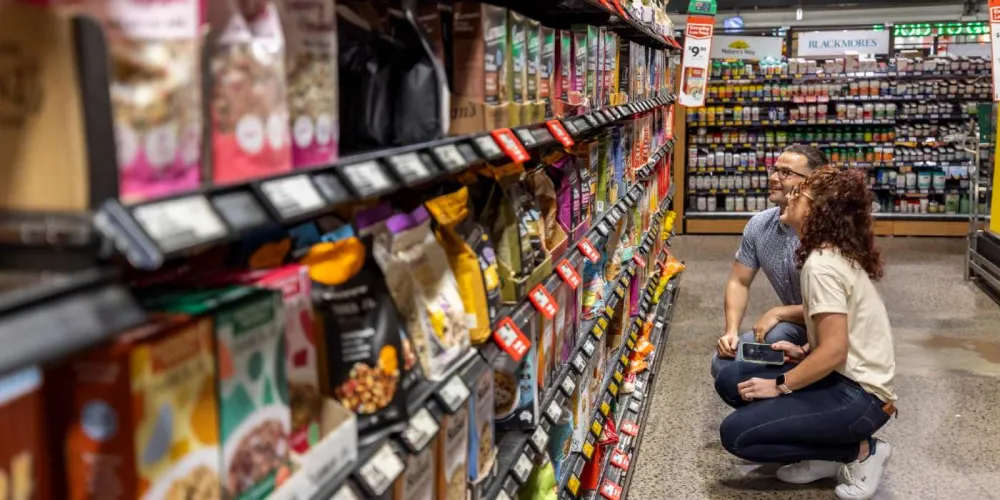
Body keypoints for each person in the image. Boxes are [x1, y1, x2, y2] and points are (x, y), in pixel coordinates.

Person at [714, 166, 897, 500]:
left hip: (860, 395)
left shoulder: (822, 265)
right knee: (732, 380)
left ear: (816, 212)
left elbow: (836, 352)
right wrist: (805, 352)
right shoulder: (827, 253)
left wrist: (780, 385)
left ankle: (858, 452)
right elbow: (840, 334)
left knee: (737, 435)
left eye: (799, 195)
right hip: (843, 377)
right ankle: (822, 452)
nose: (789, 196)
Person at [711, 145, 829, 378]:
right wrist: (731, 332)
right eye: (774, 170)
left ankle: (790, 399)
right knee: (722, 365)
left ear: (812, 183)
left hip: (836, 329)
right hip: (800, 325)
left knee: (760, 358)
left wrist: (779, 312)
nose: (774, 178)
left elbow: (840, 308)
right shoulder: (759, 226)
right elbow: (739, 281)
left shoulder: (829, 233)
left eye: (786, 173)